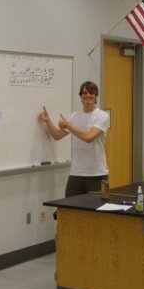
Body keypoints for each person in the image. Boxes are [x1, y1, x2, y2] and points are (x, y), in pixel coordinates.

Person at [38, 81, 110, 216]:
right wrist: (48, 121)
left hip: (97, 174)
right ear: (81, 96)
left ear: (96, 96)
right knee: (68, 211)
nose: (87, 95)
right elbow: (57, 135)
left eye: (91, 93)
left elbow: (88, 137)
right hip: (76, 173)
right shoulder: (74, 116)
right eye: (84, 92)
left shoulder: (102, 116)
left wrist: (68, 125)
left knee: (96, 214)